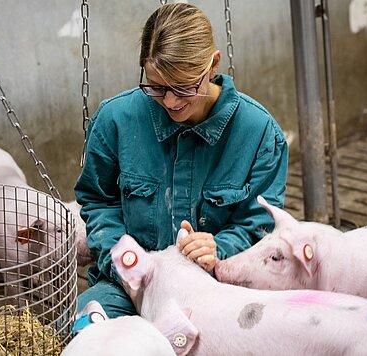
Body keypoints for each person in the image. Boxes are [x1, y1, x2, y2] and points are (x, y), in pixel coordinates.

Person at [74, 3, 288, 319]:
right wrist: (126, 262)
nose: (171, 101)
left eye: (184, 86)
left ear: (213, 65)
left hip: (221, 287)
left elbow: (260, 222)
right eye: (157, 86)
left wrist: (219, 248)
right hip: (130, 286)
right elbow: (99, 203)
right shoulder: (115, 121)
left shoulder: (258, 133)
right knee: (87, 328)